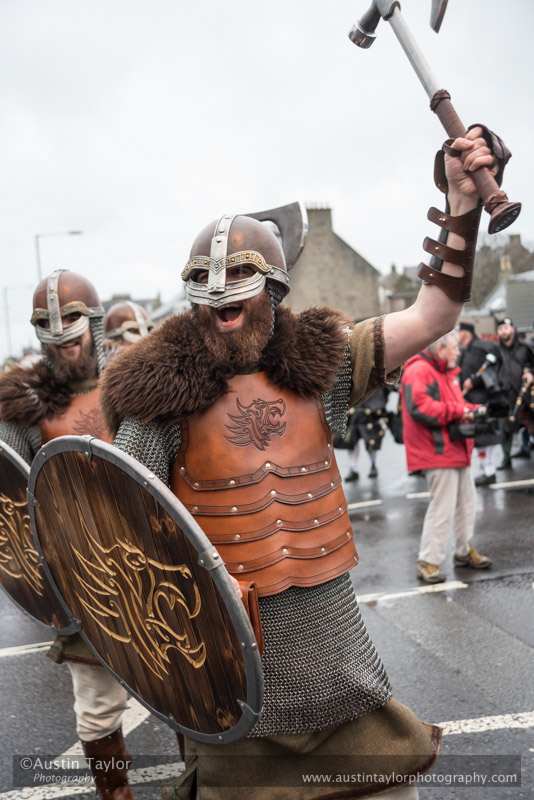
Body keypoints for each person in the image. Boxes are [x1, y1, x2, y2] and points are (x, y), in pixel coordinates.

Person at [100, 127, 505, 799]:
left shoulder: (324, 362)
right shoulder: (158, 401)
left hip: (343, 695)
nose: (221, 300)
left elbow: (434, 313)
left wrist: (462, 207)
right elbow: (117, 536)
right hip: (237, 708)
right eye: (204, 284)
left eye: (239, 282)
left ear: (276, 287)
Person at [0, 270, 135, 800]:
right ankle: (116, 794)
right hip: (83, 573)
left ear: (95, 323)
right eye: (48, 327)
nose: (62, 336)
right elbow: (11, 502)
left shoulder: (137, 379)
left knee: (185, 695)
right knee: (97, 707)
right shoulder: (25, 408)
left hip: (156, 558)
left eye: (73, 323)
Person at [400, 330, 493, 584]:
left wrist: (476, 410)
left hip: (453, 449)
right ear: (441, 350)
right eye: (455, 348)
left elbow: (455, 406)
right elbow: (420, 407)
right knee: (442, 509)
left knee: (466, 504)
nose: (459, 353)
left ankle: (463, 552)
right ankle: (428, 561)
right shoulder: (420, 370)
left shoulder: (442, 371)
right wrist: (463, 411)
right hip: (438, 451)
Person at [457, 321, 504, 486]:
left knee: (486, 435)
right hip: (471, 400)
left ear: (466, 333)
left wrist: (474, 381)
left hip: (482, 398)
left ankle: (489, 470)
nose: (458, 334)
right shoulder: (466, 350)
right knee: (478, 436)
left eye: (460, 331)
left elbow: (490, 370)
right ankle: (485, 469)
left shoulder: (480, 348)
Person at [495, 317, 534, 469]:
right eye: (500, 329)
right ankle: (506, 459)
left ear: (512, 329)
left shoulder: (525, 347)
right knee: (506, 427)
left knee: (531, 424)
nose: (503, 331)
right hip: (506, 395)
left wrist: (531, 374)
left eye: (506, 328)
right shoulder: (496, 350)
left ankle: (526, 449)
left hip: (526, 394)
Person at [345, 388, 390, 480]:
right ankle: (353, 468)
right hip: (352, 410)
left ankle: (373, 465)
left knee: (371, 441)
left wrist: (376, 406)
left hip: (369, 409)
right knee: (351, 442)